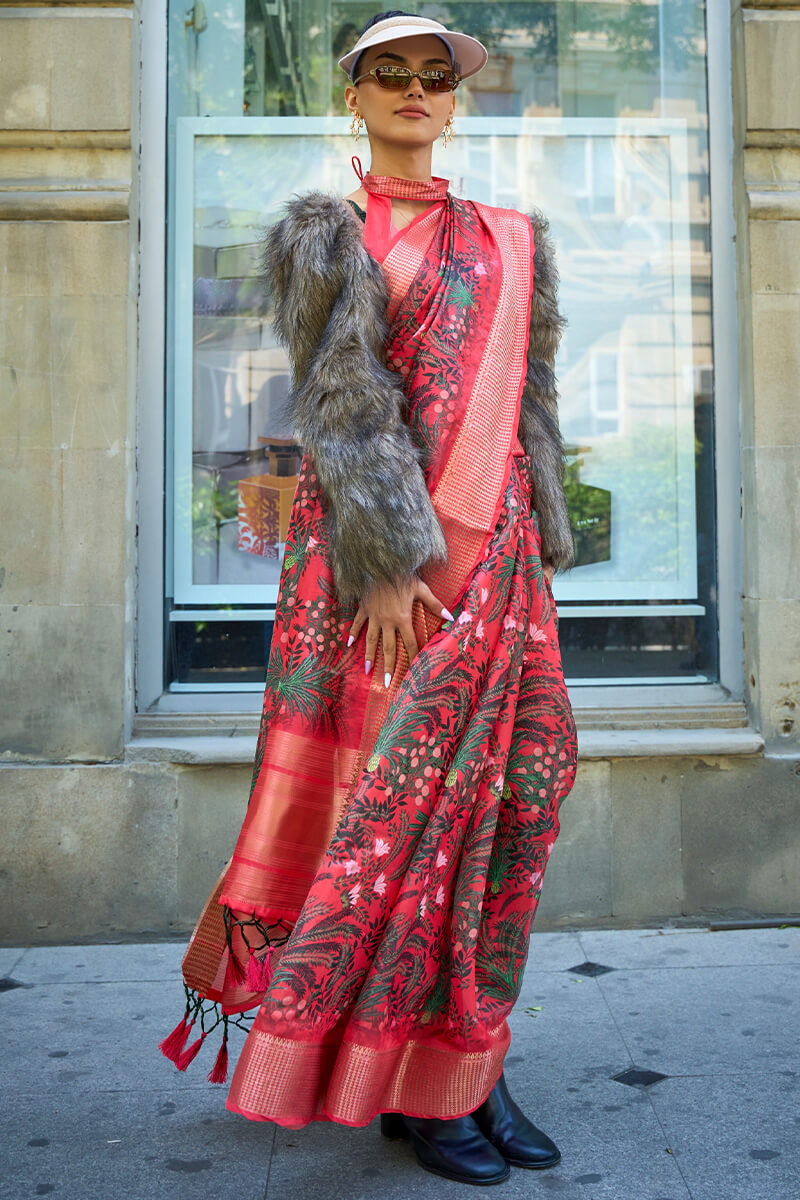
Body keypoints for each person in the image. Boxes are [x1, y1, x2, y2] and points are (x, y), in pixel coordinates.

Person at [160, 11, 579, 1187]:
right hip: (379, 574)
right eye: (386, 73)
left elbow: (529, 404)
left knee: (508, 811)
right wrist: (391, 562)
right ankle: (411, 1086)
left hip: (496, 570)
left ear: (454, 101)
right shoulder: (325, 233)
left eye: (430, 77)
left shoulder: (511, 235)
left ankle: (466, 1060)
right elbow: (341, 404)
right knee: (393, 831)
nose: (410, 90)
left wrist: (533, 543)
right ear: (353, 96)